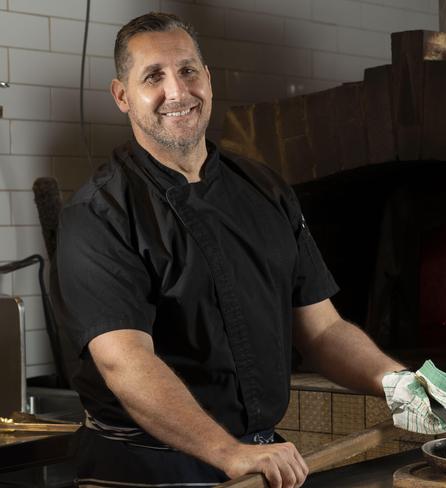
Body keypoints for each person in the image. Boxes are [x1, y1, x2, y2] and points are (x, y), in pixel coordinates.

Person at [53, 12, 408, 488]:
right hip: (143, 469)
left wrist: (397, 381)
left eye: (188, 71)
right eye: (153, 77)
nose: (177, 92)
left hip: (257, 459)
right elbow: (125, 362)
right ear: (122, 96)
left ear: (209, 80)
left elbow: (322, 330)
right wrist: (228, 452)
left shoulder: (265, 189)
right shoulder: (99, 215)